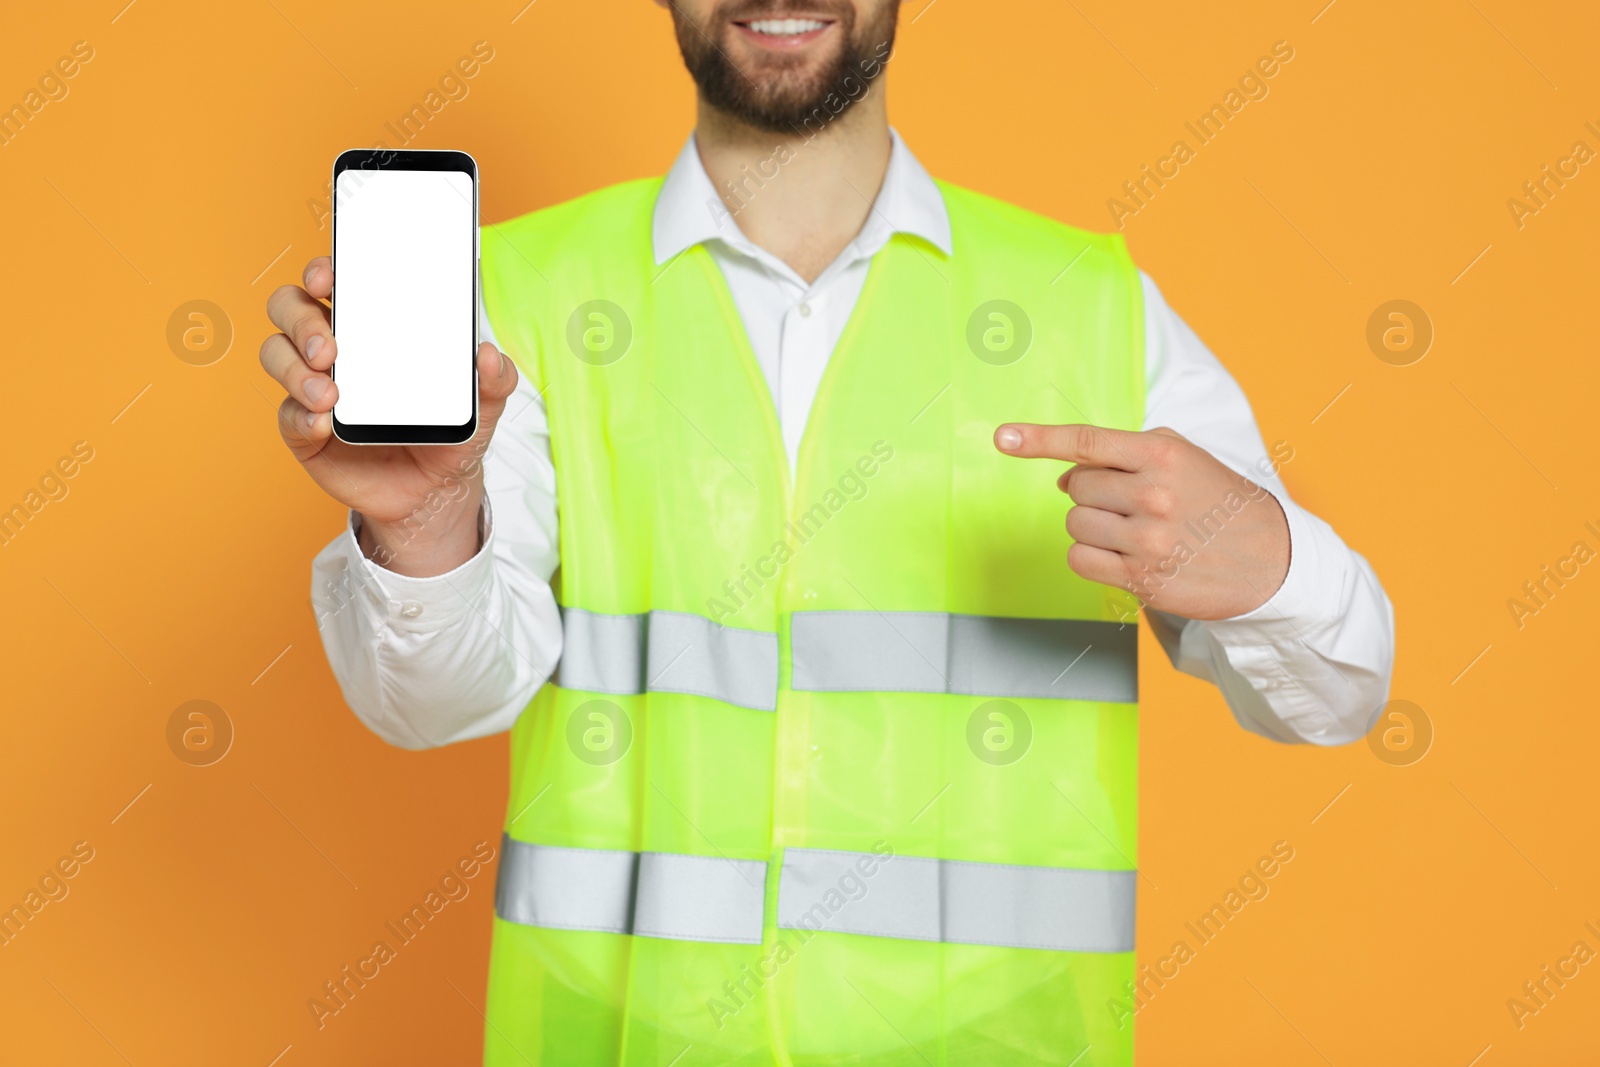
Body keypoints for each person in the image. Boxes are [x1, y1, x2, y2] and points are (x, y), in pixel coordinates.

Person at [261, 2, 1394, 1063]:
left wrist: (1270, 570)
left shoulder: (1089, 306)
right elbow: (434, 703)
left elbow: (1341, 695)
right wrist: (421, 523)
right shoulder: (516, 297)